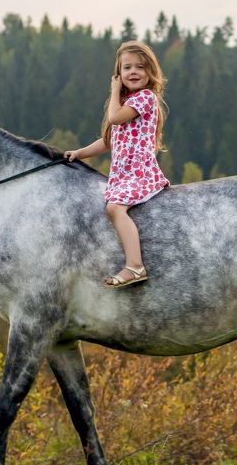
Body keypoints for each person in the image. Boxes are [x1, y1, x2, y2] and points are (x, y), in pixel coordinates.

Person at [64, 41, 170, 288]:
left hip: (140, 173)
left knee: (114, 209)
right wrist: (79, 153)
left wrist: (114, 92)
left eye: (140, 67)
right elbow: (107, 141)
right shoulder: (127, 101)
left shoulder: (145, 97)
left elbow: (114, 118)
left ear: (150, 72)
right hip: (123, 176)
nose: (133, 72)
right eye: (127, 67)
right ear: (119, 73)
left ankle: (134, 266)